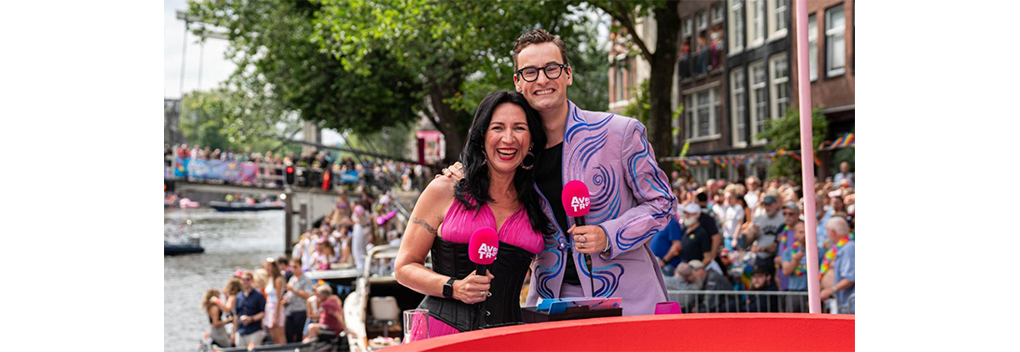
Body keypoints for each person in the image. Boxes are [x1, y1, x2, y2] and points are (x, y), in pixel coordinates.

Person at [395, 90, 552, 339]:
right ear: (481, 137)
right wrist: (453, 287)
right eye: (497, 128)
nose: (508, 138)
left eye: (519, 128)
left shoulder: (539, 202)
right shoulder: (444, 189)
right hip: (439, 335)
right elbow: (404, 266)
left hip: (507, 340)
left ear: (532, 140)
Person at [820, 217, 855, 314]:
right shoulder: (837, 248)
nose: (826, 233)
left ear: (833, 232)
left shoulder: (849, 247)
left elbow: (850, 278)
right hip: (839, 304)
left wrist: (830, 290)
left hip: (848, 306)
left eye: (827, 230)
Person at [742, 195, 785, 268]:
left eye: (770, 205)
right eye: (765, 205)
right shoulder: (759, 219)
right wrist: (753, 233)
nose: (767, 207)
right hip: (761, 257)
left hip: (777, 256)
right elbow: (747, 241)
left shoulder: (783, 219)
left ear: (776, 204)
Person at [284, 258, 314, 343]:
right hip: (290, 309)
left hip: (301, 310)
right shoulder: (291, 279)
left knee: (299, 333)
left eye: (295, 267)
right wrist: (285, 299)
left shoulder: (306, 280)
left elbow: (308, 295)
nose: (293, 270)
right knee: (288, 332)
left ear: (300, 266)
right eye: (291, 267)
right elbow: (289, 294)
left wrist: (294, 289)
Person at [233, 271, 266, 347]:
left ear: (252, 280)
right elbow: (236, 314)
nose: (245, 282)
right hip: (241, 331)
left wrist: (251, 319)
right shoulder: (239, 296)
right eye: (243, 280)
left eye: (247, 279)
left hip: (254, 330)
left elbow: (263, 313)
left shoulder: (258, 295)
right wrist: (234, 333)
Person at [262, 258, 287, 345]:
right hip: (269, 307)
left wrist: (276, 316)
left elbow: (279, 298)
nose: (267, 268)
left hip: (276, 307)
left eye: (268, 266)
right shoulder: (270, 278)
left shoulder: (278, 279)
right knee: (273, 335)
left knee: (279, 333)